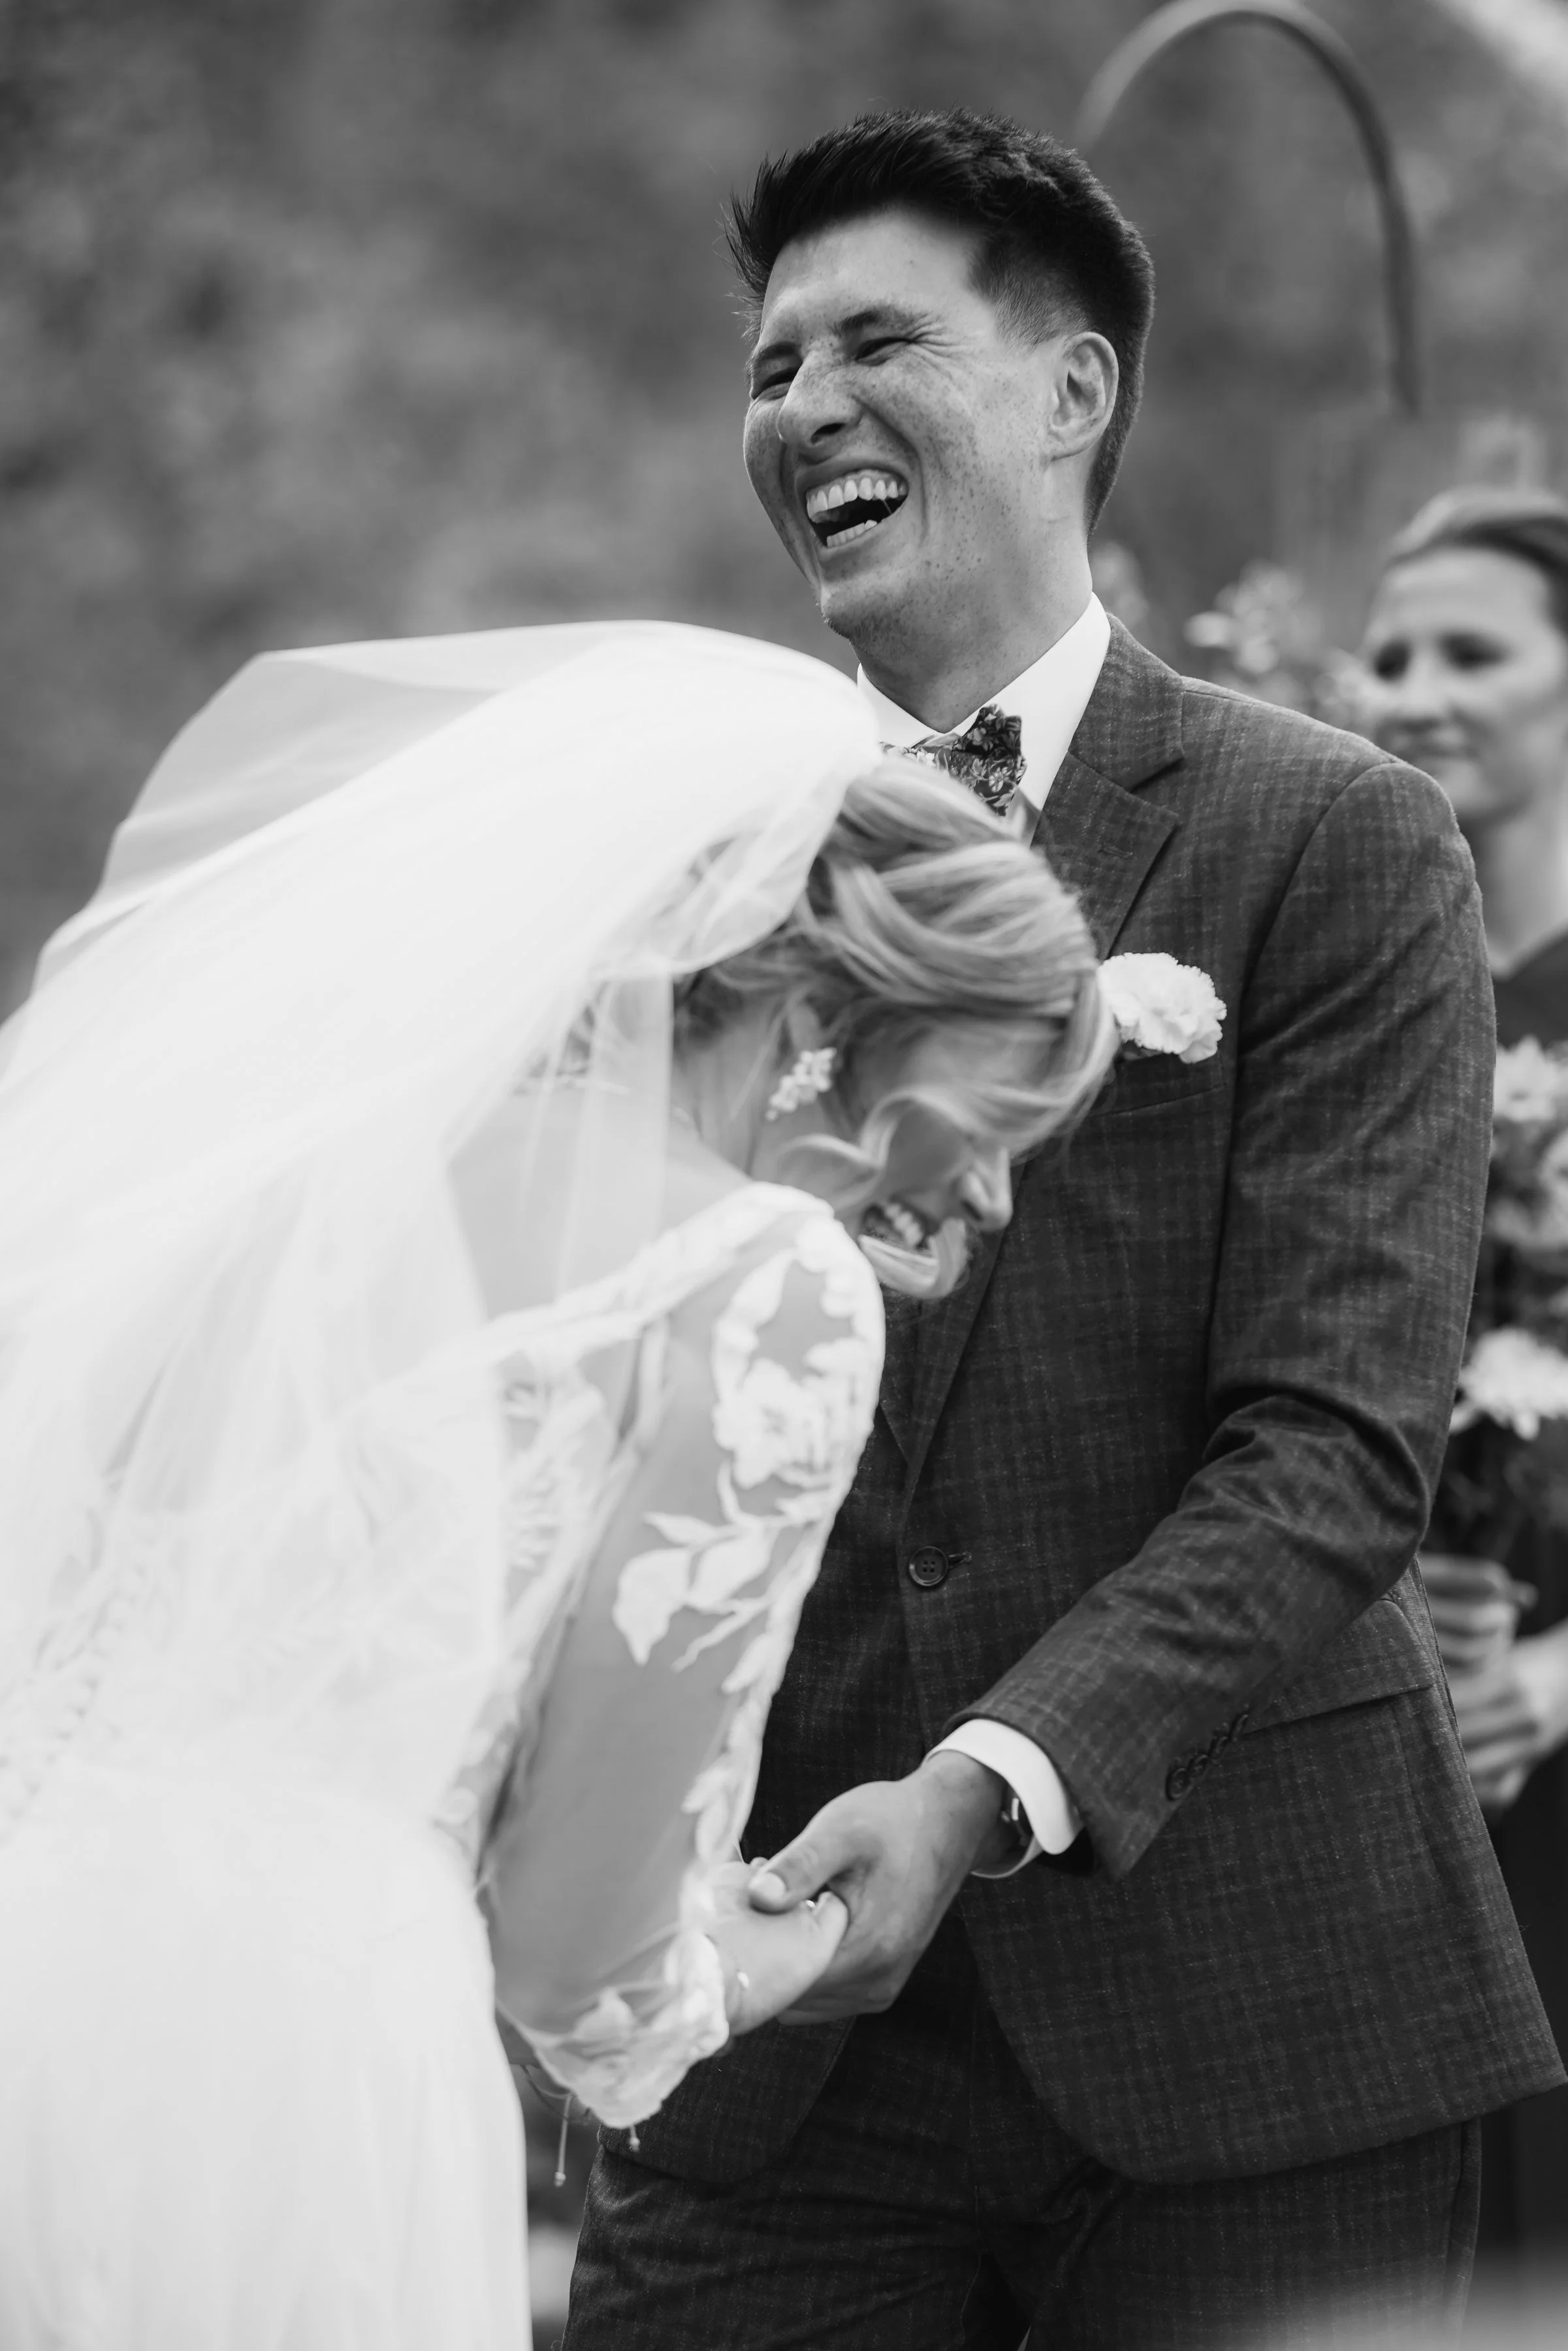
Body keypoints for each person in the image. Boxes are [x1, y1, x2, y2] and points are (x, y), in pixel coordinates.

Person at [562, 110, 1563, 2351]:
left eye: (877, 339)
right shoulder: (682, 872)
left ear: (1073, 391)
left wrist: (987, 1790)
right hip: (773, 2033)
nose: (803, 405)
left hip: (1263, 2021)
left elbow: (1328, 1454)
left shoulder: (1340, 841)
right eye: (769, 365)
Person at [0, 620, 1112, 2349]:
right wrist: (797, 1949)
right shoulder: (763, 1289)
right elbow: (580, 1973)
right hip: (275, 2060)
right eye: (1000, 1115)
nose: (992, 1203)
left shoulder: (296, 1176)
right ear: (832, 1016)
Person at [1363, 486, 1568, 2271]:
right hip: (1373, 1703)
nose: (1415, 687)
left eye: (1474, 651)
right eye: (1394, 652)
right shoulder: (1361, 980)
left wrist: (1555, 1676)